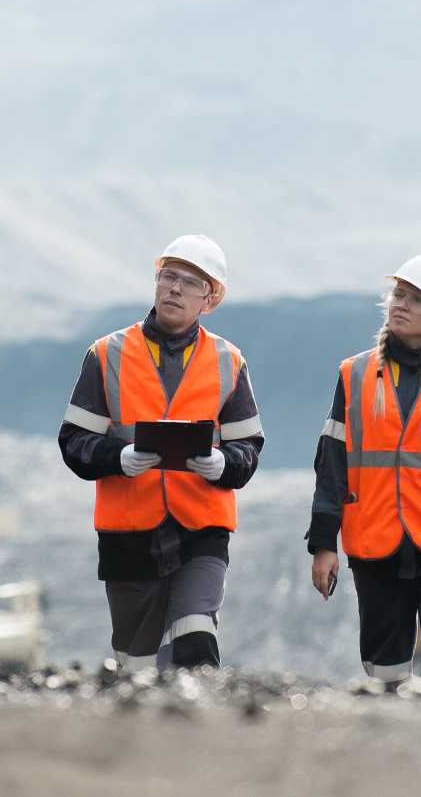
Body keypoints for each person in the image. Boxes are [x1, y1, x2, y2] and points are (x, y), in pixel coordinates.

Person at [58, 235, 264, 670]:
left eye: (190, 282)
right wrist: (117, 457)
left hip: (201, 529)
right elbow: (74, 442)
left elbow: (248, 446)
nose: (174, 288)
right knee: (137, 666)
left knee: (195, 640)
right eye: (168, 276)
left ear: (210, 299)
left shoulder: (230, 362)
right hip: (128, 533)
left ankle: (201, 735)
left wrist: (224, 464)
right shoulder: (106, 354)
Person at [305, 254, 421, 692]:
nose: (400, 304)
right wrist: (323, 544)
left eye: (416, 299)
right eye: (399, 294)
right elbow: (332, 463)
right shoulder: (353, 375)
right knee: (386, 677)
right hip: (376, 545)